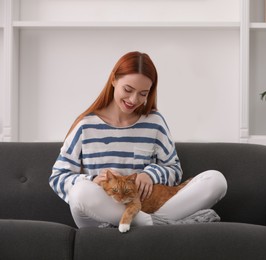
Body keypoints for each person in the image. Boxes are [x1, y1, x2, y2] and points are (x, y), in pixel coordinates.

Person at [49, 51, 227, 228]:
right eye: (128, 89)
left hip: (147, 208)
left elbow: (174, 169)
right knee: (80, 192)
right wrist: (93, 180)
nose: (133, 99)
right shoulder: (85, 125)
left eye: (143, 93)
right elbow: (57, 177)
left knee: (216, 180)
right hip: (99, 214)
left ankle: (141, 225)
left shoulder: (154, 122)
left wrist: (149, 174)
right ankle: (151, 226)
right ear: (113, 80)